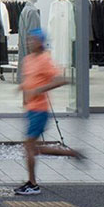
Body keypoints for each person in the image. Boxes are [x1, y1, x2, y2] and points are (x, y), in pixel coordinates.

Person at [15, 27, 83, 196]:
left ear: (40, 42)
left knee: (29, 146)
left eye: (33, 40)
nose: (29, 42)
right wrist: (23, 93)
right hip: (31, 109)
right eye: (28, 39)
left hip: (40, 110)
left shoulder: (45, 59)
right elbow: (28, 81)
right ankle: (70, 153)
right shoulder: (27, 59)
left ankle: (33, 184)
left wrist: (39, 90)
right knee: (33, 148)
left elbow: (61, 80)